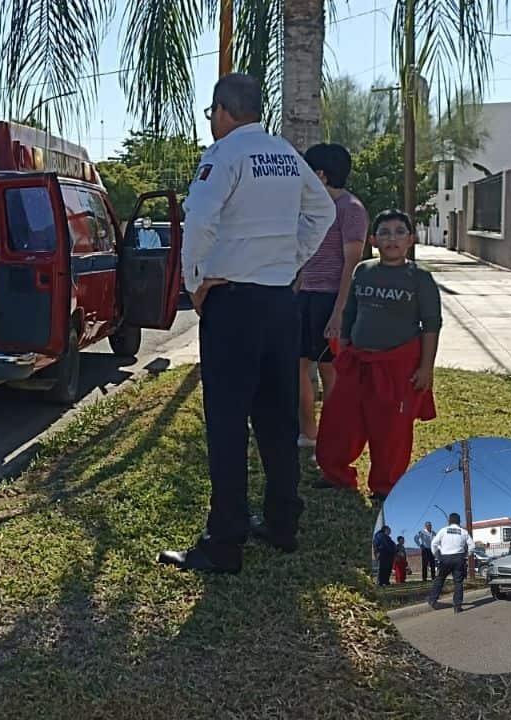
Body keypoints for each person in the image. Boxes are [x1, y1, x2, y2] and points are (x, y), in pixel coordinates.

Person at [156, 73, 336, 574]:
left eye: (211, 114)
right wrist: (291, 260)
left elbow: (201, 219)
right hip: (281, 304)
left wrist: (195, 281)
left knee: (229, 424)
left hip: (232, 305)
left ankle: (225, 540)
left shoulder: (225, 155)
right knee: (278, 420)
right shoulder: (284, 153)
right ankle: (282, 524)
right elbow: (321, 211)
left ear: (222, 111)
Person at [314, 209, 442, 502]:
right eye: (384, 232)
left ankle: (385, 485)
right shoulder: (364, 270)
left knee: (391, 430)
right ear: (373, 239)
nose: (391, 239)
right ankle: (336, 474)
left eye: (399, 232)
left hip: (396, 366)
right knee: (339, 419)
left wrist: (426, 368)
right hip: (357, 361)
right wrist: (344, 347)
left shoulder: (419, 278)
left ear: (411, 239)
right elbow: (350, 313)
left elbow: (432, 324)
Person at [296, 143, 368, 450]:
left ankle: (335, 436)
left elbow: (352, 264)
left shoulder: (350, 209)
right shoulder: (313, 210)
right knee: (295, 367)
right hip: (304, 298)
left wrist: (339, 313)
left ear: (321, 175)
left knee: (330, 371)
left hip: (331, 299)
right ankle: (309, 432)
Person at [428, 512, 472, 614]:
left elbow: (434, 544)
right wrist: (465, 556)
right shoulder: (463, 532)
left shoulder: (443, 530)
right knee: (458, 582)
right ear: (459, 521)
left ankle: (432, 600)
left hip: (445, 559)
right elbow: (472, 546)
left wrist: (437, 556)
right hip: (459, 558)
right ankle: (457, 606)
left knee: (440, 579)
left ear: (449, 521)